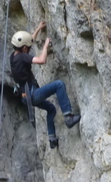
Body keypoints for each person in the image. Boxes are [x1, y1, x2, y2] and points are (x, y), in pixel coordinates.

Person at [10, 21, 81, 149]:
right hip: (33, 94)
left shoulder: (13, 56)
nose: (29, 49)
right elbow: (41, 60)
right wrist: (46, 46)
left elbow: (28, 41)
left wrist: (38, 29)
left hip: (25, 97)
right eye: (28, 48)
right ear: (24, 49)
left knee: (51, 109)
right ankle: (68, 117)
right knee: (59, 85)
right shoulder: (23, 57)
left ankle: (52, 139)